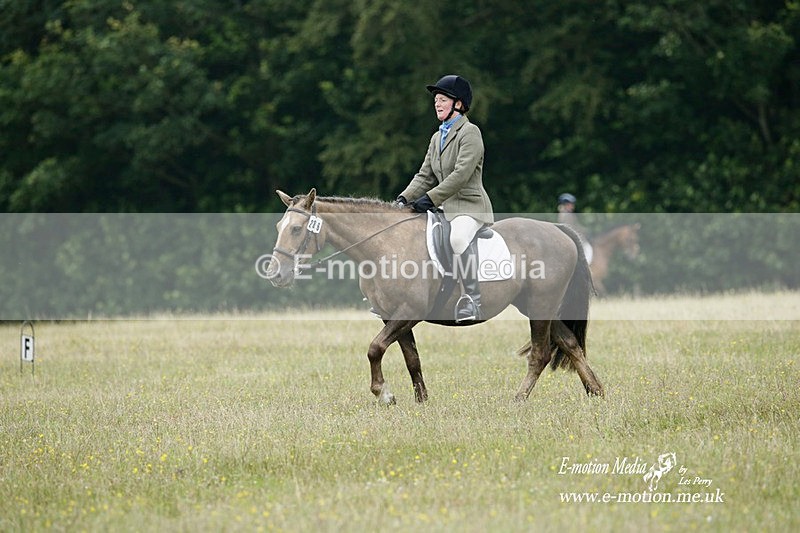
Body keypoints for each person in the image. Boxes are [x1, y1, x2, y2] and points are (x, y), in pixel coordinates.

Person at [396, 74, 494, 322]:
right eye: (436, 100)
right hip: (444, 207)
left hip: (470, 207)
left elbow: (461, 175)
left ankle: (473, 300)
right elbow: (424, 175)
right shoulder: (436, 137)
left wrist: (429, 199)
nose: (437, 104)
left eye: (442, 99)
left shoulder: (470, 133)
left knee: (458, 238)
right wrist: (403, 199)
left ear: (458, 104)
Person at [557, 193, 593, 265]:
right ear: (565, 204)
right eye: (570, 204)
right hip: (572, 238)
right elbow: (571, 227)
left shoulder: (565, 214)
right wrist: (582, 231)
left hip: (572, 236)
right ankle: (585, 267)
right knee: (588, 249)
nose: (572, 206)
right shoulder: (566, 215)